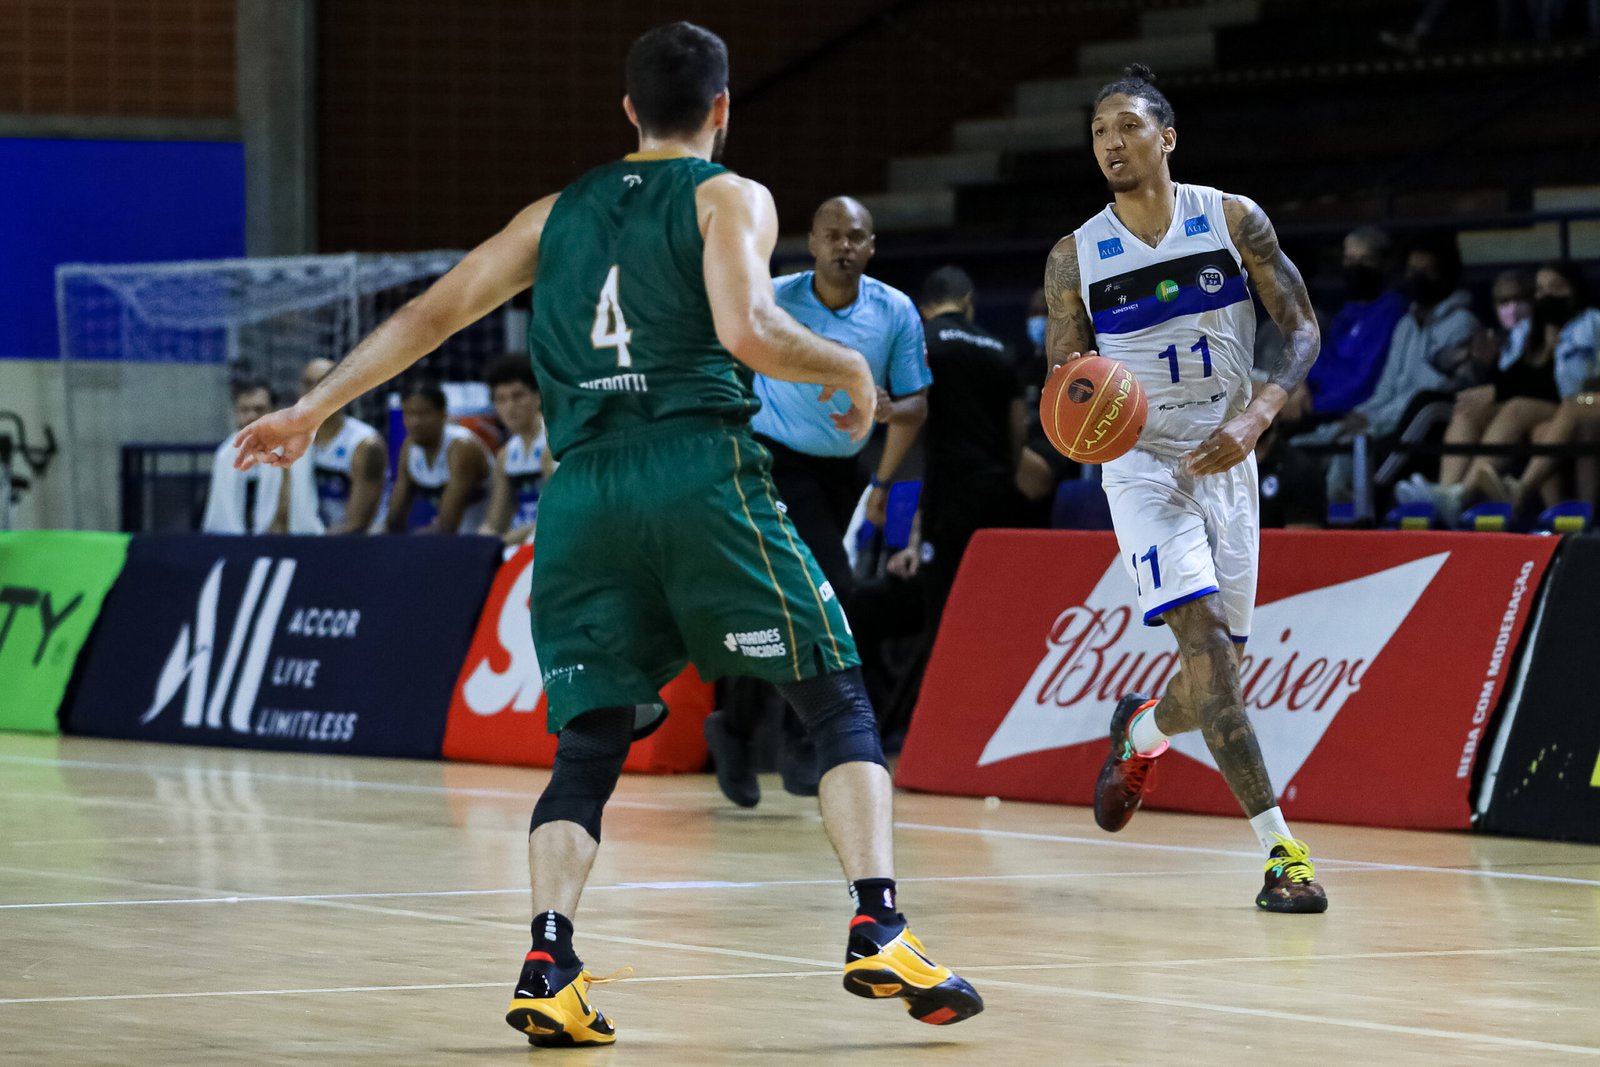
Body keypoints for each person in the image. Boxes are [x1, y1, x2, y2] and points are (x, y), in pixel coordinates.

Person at [233, 21, 980, 1046]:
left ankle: (548, 956)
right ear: (721, 109)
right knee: (834, 689)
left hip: (579, 491)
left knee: (588, 737)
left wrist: (311, 412)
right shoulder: (729, 195)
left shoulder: (554, 215)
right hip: (694, 468)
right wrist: (848, 371)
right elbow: (746, 331)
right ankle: (878, 923)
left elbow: (432, 314)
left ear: (627, 111)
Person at [1042, 64, 1327, 912]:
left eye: (1127, 127)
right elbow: (1060, 379)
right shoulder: (1074, 257)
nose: (1111, 144)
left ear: (1165, 137)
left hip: (1231, 459)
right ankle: (1282, 853)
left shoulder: (1232, 219)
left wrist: (1260, 413)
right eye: (1098, 132)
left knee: (1214, 679)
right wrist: (1081, 423)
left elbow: (1304, 327)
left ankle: (1138, 729)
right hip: (1143, 469)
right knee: (1208, 655)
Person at [702, 194, 931, 807]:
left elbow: (915, 407)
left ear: (872, 246)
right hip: (773, 463)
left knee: (779, 604)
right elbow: (721, 356)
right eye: (833, 234)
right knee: (832, 592)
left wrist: (881, 478)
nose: (844, 245)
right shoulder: (775, 297)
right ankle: (807, 744)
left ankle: (738, 725)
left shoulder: (895, 311)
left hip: (847, 470)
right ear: (812, 241)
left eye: (856, 235)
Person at [1295, 233, 1479, 497]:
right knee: (1309, 446)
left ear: (1446, 275)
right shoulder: (1406, 324)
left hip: (1426, 426)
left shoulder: (1462, 324)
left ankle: (1369, 503)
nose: (1418, 279)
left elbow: (1426, 394)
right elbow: (1388, 386)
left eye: (1427, 272)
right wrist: (1363, 414)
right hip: (1383, 419)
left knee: (1349, 453)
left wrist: (1372, 421)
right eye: (1413, 271)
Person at [1280, 226, 1407, 426]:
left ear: (1384, 265)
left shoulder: (1390, 312)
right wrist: (1299, 385)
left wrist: (1312, 404)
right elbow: (1321, 361)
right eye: (1349, 260)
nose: (1355, 267)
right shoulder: (1348, 311)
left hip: (1342, 414)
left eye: (1365, 260)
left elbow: (1364, 384)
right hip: (1310, 402)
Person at [202, 379, 320, 535]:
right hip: (236, 543)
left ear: (274, 411)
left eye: (259, 409)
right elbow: (222, 512)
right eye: (244, 410)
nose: (251, 416)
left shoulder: (294, 447)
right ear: (236, 413)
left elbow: (298, 507)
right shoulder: (225, 454)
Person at [382, 380, 492, 534]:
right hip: (452, 539)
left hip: (483, 535)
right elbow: (394, 518)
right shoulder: (409, 447)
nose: (415, 422)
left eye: (423, 414)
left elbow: (447, 525)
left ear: (443, 414)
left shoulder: (462, 447)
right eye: (409, 414)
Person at [300, 358, 386, 534]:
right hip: (312, 539)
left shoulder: (365, 444)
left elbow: (357, 525)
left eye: (323, 383)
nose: (314, 391)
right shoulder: (294, 439)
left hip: (360, 544)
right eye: (308, 383)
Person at [480, 354, 554, 545]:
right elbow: (496, 521)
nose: (510, 407)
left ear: (538, 397)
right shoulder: (506, 455)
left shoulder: (553, 442)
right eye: (501, 399)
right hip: (518, 542)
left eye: (517, 396)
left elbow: (557, 516)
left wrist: (506, 540)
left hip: (550, 538)